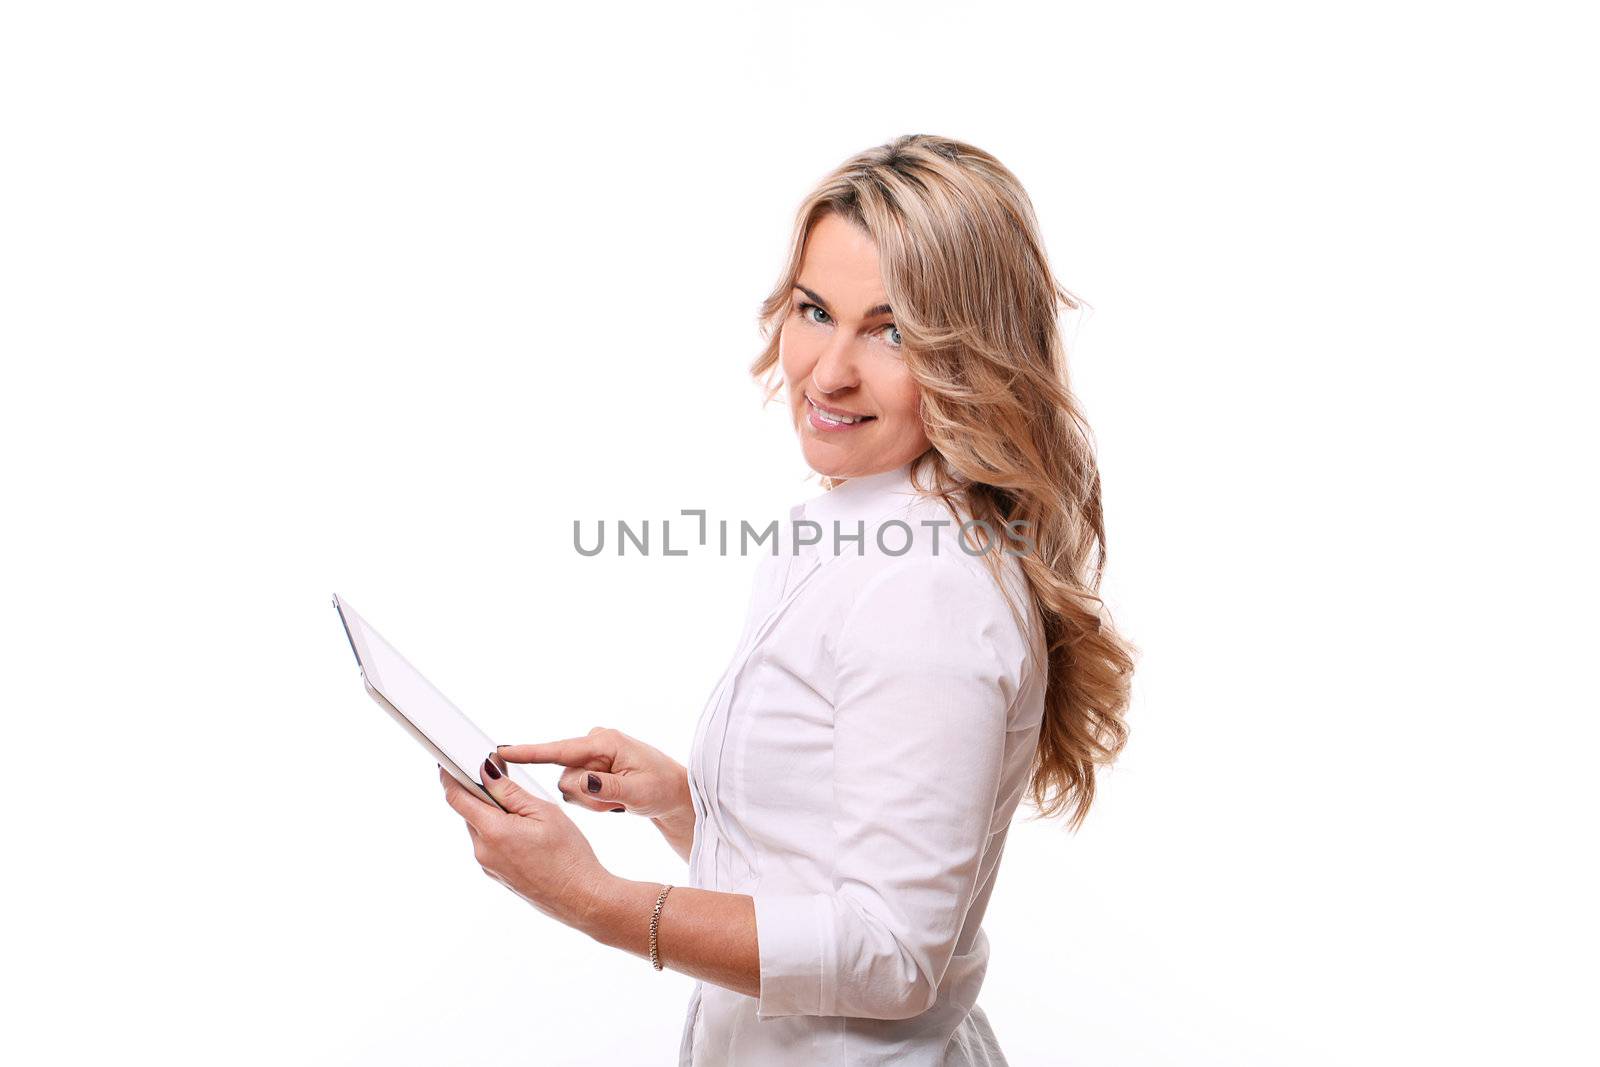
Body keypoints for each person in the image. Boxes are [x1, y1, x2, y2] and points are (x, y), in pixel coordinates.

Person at [438, 133, 1136, 1065]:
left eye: (892, 331)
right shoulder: (859, 522)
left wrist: (593, 899)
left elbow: (891, 953)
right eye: (816, 310)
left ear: (973, 357)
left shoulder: (926, 583)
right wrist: (687, 802)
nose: (829, 370)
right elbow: (833, 870)